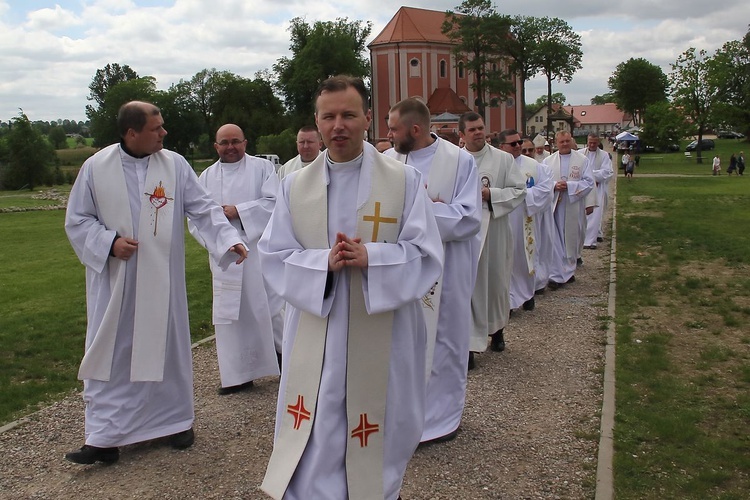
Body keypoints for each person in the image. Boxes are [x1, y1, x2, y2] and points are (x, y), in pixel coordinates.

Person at [258, 76, 443, 500]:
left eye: (348, 115)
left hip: (381, 323)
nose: (338, 125)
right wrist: (322, 262)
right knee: (318, 419)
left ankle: (377, 490)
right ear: (317, 124)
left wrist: (372, 258)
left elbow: (427, 253)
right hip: (316, 324)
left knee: (380, 419)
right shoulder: (294, 186)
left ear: (367, 119)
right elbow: (273, 255)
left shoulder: (404, 181)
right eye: (329, 116)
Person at [64, 101, 248, 464]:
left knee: (165, 347)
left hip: (161, 281)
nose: (164, 132)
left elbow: (204, 208)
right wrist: (109, 243)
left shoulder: (174, 165)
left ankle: (174, 422)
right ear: (132, 133)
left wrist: (228, 239)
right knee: (112, 353)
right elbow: (77, 220)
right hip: (116, 284)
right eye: (156, 128)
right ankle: (104, 437)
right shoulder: (95, 168)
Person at [384, 97, 481, 444]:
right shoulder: (386, 162)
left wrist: (418, 212)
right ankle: (400, 418)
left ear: (415, 129)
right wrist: (429, 210)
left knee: (445, 342)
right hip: (402, 271)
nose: (388, 134)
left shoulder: (460, 162)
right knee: (402, 345)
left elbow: (468, 217)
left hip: (448, 270)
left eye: (393, 128)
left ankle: (441, 420)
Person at [188, 124, 281, 395]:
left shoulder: (262, 169)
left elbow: (275, 204)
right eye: (224, 142)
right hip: (224, 256)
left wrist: (238, 211)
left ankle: (282, 356)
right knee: (230, 315)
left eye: (236, 142)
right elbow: (195, 218)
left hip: (256, 251)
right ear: (215, 146)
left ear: (245, 142)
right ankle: (238, 375)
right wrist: (220, 243)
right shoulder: (205, 177)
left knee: (265, 307)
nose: (231, 147)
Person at [460, 115, 526, 358]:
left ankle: (497, 330)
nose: (478, 133)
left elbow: (519, 190)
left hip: (495, 231)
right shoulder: (455, 160)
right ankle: (468, 345)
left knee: (495, 283)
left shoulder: (503, 159)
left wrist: (491, 194)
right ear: (462, 135)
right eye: (472, 129)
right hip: (465, 234)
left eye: (481, 128)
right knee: (467, 287)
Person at [499, 129, 554, 313]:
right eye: (513, 144)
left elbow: (546, 190)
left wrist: (523, 195)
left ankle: (528, 293)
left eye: (519, 142)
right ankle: (508, 302)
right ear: (502, 146)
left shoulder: (534, 166)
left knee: (525, 259)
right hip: (501, 219)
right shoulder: (496, 165)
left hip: (525, 219)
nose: (518, 146)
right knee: (505, 261)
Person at [543, 130, 594, 290]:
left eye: (567, 141)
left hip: (573, 204)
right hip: (554, 205)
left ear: (571, 141)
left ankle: (568, 271)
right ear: (555, 143)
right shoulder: (547, 161)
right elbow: (543, 182)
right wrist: (554, 186)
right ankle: (556, 274)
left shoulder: (582, 160)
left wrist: (570, 186)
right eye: (561, 142)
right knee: (555, 239)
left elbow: (589, 182)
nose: (564, 144)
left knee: (571, 238)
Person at [580, 134, 614, 249]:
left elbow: (607, 172)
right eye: (590, 142)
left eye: (594, 142)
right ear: (587, 141)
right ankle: (583, 238)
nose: (592, 145)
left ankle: (591, 241)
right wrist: (593, 176)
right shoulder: (580, 154)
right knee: (583, 213)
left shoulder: (604, 156)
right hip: (583, 188)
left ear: (598, 142)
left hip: (598, 189)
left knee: (595, 214)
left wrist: (591, 176)